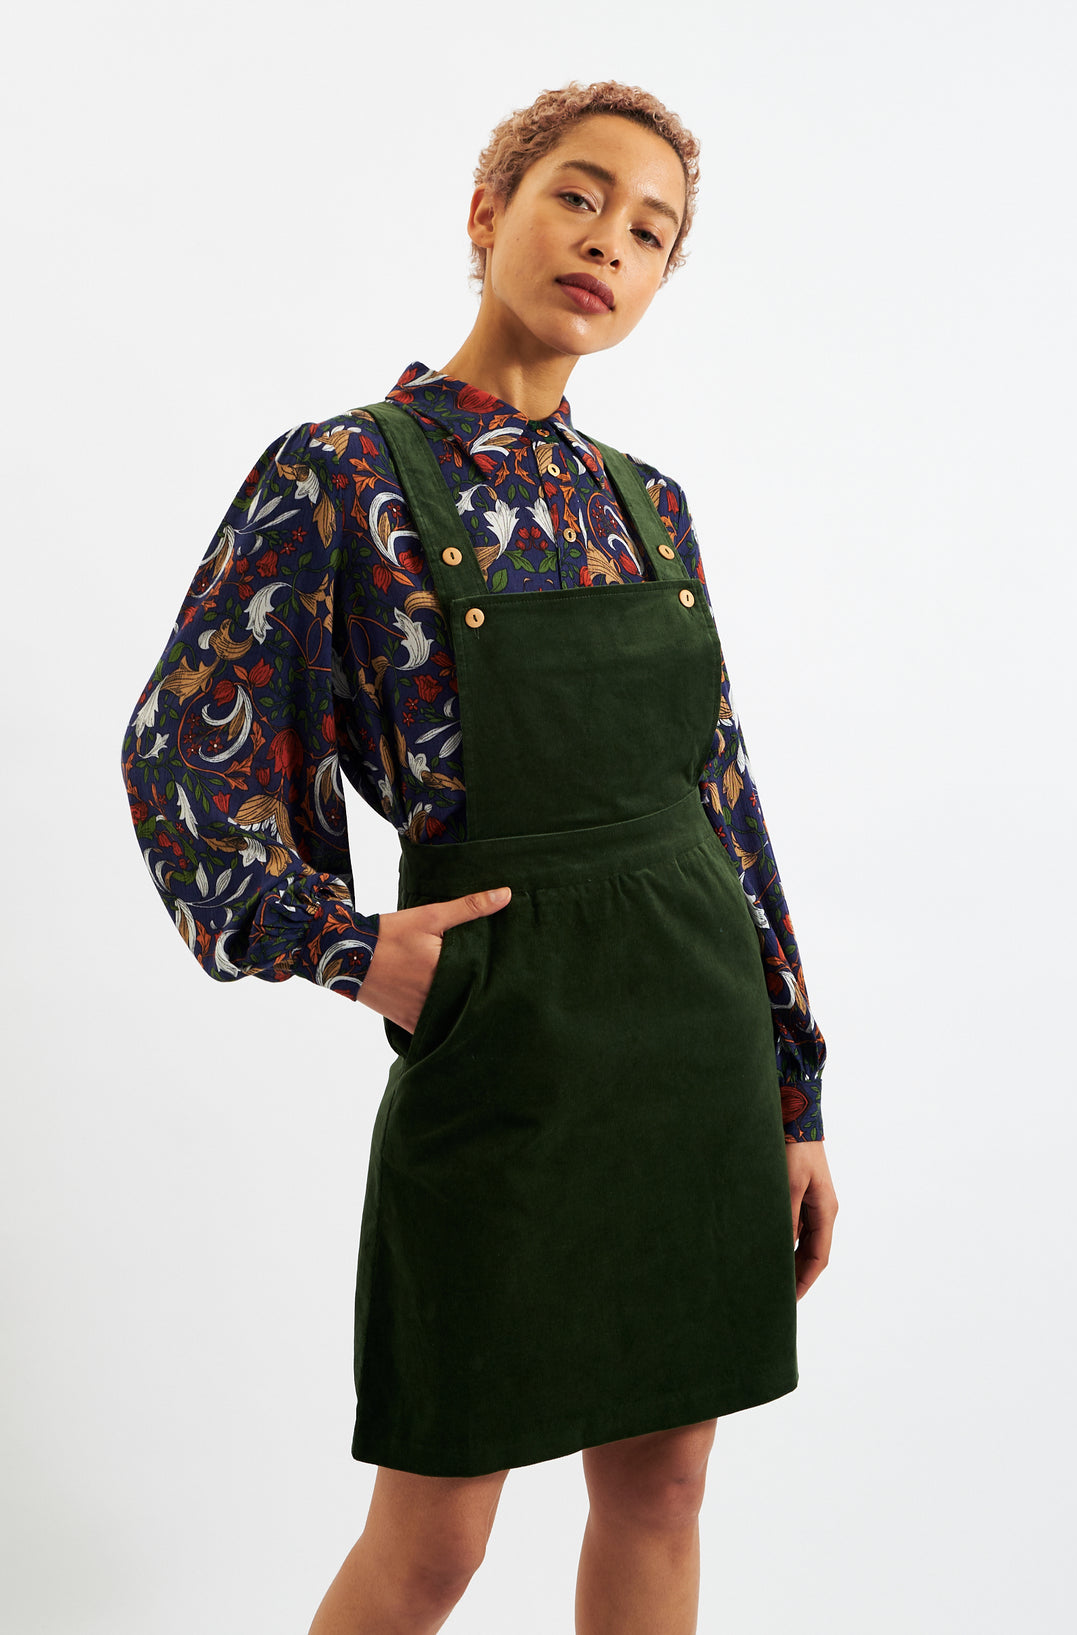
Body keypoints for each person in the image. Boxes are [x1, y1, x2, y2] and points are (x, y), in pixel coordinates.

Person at [121, 79, 838, 1635]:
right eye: (578, 194)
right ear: (487, 210)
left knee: (664, 1488)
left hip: (692, 1046)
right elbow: (183, 755)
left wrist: (791, 1090)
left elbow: (721, 801)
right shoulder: (341, 476)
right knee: (434, 1542)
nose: (608, 243)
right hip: (502, 1048)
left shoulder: (649, 508)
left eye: (650, 232)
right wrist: (349, 949)